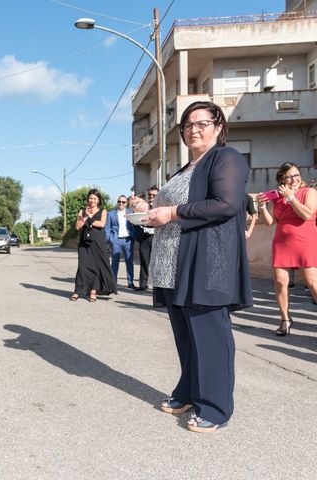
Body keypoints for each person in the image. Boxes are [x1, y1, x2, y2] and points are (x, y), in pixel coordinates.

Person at [141, 100, 252, 433]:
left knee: (210, 336)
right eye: (188, 125)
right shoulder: (185, 168)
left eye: (202, 123)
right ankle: (189, 391)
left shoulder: (225, 158)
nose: (194, 130)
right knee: (187, 336)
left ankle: (216, 407)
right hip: (175, 263)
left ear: (218, 127)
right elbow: (174, 205)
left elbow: (227, 204)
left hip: (207, 262)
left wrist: (172, 213)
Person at [257, 163, 317, 336]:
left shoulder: (309, 192)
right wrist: (262, 207)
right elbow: (269, 222)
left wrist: (291, 197)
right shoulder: (277, 197)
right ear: (282, 179)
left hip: (306, 241)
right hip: (282, 243)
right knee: (281, 282)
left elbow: (306, 214)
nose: (294, 179)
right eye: (289, 176)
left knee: (312, 282)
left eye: (296, 175)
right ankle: (285, 319)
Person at [70, 189, 117, 302]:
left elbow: (101, 224)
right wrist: (85, 216)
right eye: (90, 198)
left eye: (95, 198)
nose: (92, 200)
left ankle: (93, 292)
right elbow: (77, 226)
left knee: (96, 267)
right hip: (84, 242)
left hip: (98, 242)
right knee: (82, 267)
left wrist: (88, 219)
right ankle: (77, 291)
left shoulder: (103, 211)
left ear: (99, 200)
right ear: (88, 199)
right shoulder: (82, 211)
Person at [105, 195, 136, 289]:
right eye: (119, 201)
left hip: (128, 240)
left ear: (126, 203)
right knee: (115, 262)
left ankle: (130, 282)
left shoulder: (131, 212)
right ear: (117, 202)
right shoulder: (110, 214)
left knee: (129, 262)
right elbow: (107, 229)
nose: (121, 203)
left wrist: (133, 236)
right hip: (116, 240)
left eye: (123, 202)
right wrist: (111, 239)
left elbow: (136, 224)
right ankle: (113, 283)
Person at [133, 186, 159, 291]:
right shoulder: (143, 207)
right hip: (144, 237)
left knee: (157, 261)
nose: (151, 197)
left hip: (157, 237)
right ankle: (143, 284)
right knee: (144, 261)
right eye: (150, 195)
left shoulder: (161, 207)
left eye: (154, 195)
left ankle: (158, 287)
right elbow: (136, 220)